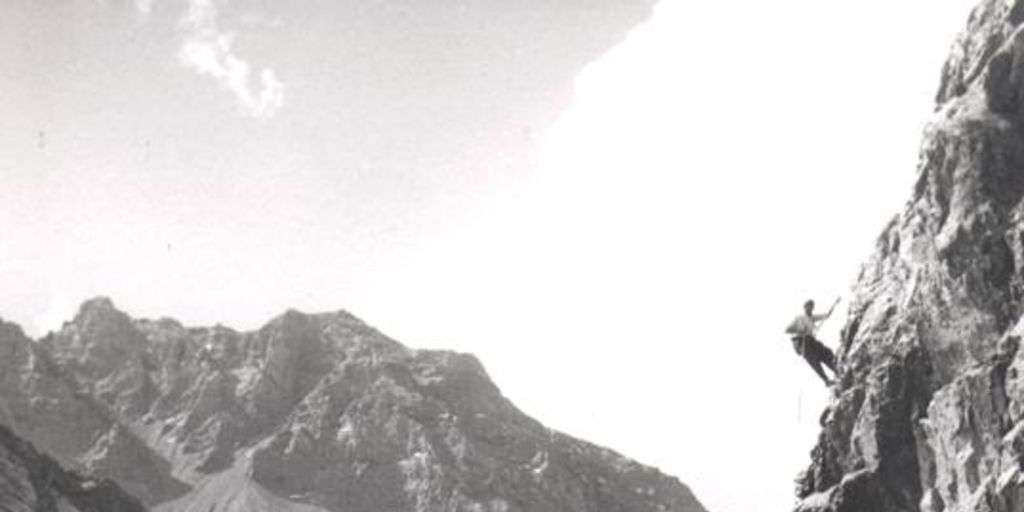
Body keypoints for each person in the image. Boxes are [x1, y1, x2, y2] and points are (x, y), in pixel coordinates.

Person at [785, 298, 839, 385]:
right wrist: (799, 330)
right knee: (814, 360)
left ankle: (836, 369)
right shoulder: (799, 318)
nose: (810, 309)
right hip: (800, 342)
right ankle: (826, 380)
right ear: (805, 308)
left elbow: (826, 315)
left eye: (812, 307)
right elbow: (787, 330)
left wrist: (834, 304)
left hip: (809, 340)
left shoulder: (811, 318)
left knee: (824, 351)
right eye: (809, 307)